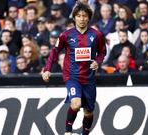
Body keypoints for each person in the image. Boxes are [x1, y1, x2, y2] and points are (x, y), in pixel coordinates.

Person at [42, 2, 106, 135]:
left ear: (88, 18)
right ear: (74, 18)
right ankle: (68, 131)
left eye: (84, 16)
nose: (82, 19)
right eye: (79, 16)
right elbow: (55, 51)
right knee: (75, 104)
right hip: (72, 77)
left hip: (89, 78)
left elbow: (102, 52)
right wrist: (47, 69)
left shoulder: (97, 35)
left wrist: (97, 62)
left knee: (88, 112)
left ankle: (85, 133)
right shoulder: (66, 35)